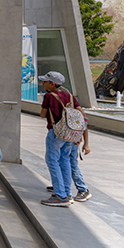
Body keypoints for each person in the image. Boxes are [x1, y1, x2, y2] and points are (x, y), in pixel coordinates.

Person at [39, 71, 92, 206]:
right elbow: (82, 115)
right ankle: (67, 193)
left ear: (52, 84)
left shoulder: (49, 96)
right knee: (65, 160)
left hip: (56, 132)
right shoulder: (69, 96)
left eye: (45, 81)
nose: (42, 83)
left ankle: (60, 195)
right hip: (69, 134)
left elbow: (42, 114)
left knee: (52, 161)